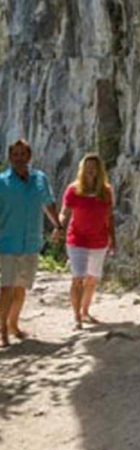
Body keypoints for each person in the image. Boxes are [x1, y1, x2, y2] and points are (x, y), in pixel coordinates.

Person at [0, 138, 63, 347]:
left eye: (23, 154)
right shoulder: (2, 182)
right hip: (6, 243)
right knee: (6, 287)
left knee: (21, 287)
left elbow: (48, 203)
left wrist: (57, 225)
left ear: (29, 156)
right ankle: (2, 332)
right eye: (15, 154)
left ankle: (13, 325)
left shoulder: (39, 179)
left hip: (31, 243)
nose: (19, 158)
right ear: (10, 157)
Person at [60, 153, 115, 328]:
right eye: (88, 166)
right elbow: (64, 212)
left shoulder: (106, 191)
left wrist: (113, 239)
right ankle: (76, 317)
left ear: (100, 170)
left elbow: (109, 216)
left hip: (99, 240)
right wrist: (58, 226)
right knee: (78, 278)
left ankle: (85, 311)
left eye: (94, 167)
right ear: (82, 169)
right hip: (77, 239)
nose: (91, 170)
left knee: (91, 279)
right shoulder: (73, 189)